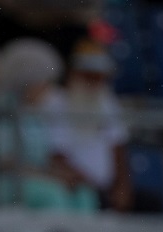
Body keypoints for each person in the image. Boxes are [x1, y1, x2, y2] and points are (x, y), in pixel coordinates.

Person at [0, 38, 98, 211]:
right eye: (45, 83)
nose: (48, 90)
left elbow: (40, 159)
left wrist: (67, 176)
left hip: (26, 179)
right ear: (28, 82)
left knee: (84, 194)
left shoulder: (33, 115)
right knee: (51, 194)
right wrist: (53, 177)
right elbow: (6, 163)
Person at [41, 41, 134, 211]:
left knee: (152, 204)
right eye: (89, 76)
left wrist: (123, 187)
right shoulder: (55, 102)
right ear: (74, 73)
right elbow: (56, 156)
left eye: (99, 77)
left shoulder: (107, 102)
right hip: (75, 187)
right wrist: (90, 184)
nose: (95, 83)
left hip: (106, 189)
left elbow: (118, 147)